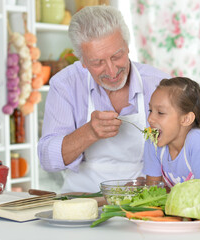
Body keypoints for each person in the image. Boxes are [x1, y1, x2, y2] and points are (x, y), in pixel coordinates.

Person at [37, 5, 170, 193]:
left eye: (117, 56)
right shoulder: (65, 84)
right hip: (81, 201)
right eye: (97, 62)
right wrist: (89, 132)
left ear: (127, 47)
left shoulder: (161, 85)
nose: (111, 71)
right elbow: (47, 159)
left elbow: (184, 150)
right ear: (82, 61)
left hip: (142, 203)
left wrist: (155, 182)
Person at [143, 77, 200, 201]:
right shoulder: (153, 142)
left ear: (186, 119)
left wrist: (167, 192)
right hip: (184, 211)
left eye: (160, 112)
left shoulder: (197, 141)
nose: (150, 119)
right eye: (150, 110)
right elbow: (153, 192)